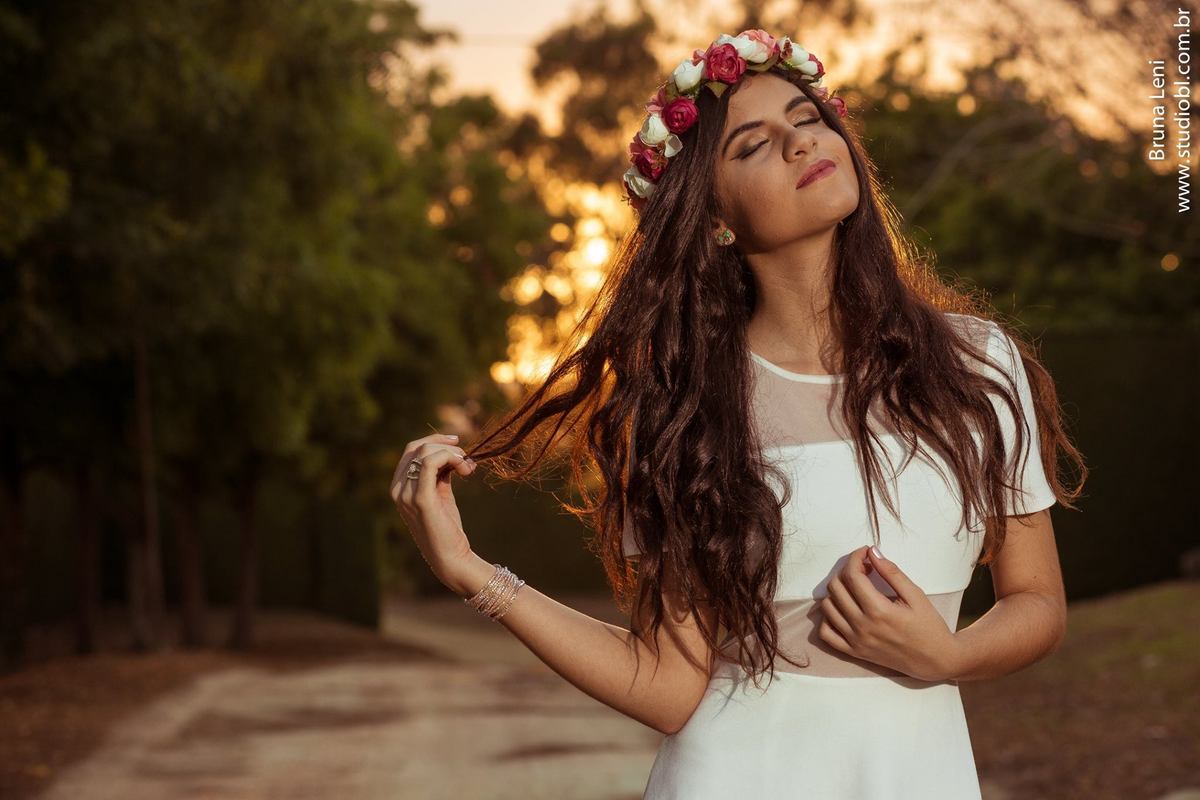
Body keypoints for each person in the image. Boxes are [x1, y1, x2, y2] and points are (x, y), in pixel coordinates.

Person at [390, 28, 1087, 799]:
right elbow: (666, 683)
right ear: (714, 218)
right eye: (753, 145)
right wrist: (474, 576)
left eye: (808, 118)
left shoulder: (976, 362)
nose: (799, 143)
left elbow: (1037, 602)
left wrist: (949, 658)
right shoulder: (681, 410)